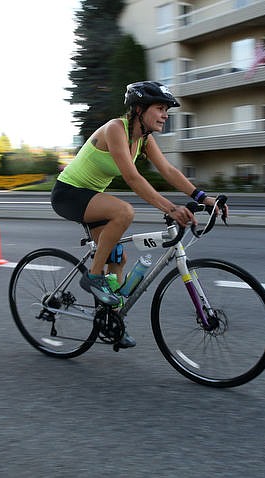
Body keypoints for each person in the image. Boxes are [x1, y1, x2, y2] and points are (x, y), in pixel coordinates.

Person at [50, 81, 226, 348]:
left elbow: (168, 171)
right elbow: (132, 178)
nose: (165, 114)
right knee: (124, 212)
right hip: (69, 194)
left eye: (167, 109)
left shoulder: (144, 139)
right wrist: (170, 208)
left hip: (91, 198)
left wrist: (202, 197)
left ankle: (110, 322)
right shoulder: (115, 129)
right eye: (160, 108)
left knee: (118, 259)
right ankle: (92, 277)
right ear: (139, 109)